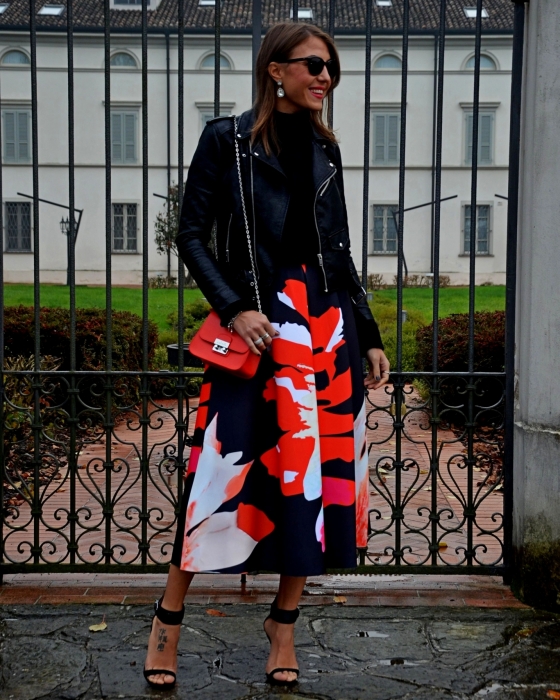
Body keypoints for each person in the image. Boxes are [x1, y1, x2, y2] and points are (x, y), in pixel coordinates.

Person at [143, 21, 390, 690]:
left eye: (330, 67)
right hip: (257, 328)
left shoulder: (325, 148)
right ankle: (167, 621)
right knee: (218, 476)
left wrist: (368, 333)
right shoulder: (226, 140)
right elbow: (191, 235)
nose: (325, 77)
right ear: (275, 70)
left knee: (313, 478)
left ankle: (284, 624)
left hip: (325, 328)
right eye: (313, 64)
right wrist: (235, 307)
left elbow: (339, 250)